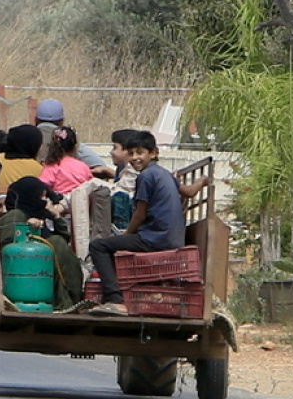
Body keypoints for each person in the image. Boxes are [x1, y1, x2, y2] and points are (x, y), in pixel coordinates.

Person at [88, 130, 210, 316]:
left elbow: (140, 214)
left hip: (155, 239)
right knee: (114, 245)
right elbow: (190, 191)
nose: (135, 158)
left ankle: (114, 299)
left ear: (153, 153)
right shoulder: (165, 174)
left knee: (98, 246)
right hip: (173, 239)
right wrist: (203, 181)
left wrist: (127, 234)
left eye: (140, 152)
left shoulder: (145, 176)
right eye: (132, 153)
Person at [0, 176, 84, 310]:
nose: (45, 202)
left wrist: (56, 217)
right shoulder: (14, 216)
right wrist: (27, 227)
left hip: (45, 278)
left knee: (57, 241)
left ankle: (70, 299)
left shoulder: (42, 216)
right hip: (22, 280)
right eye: (42, 197)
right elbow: (8, 247)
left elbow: (63, 242)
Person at [33, 98, 112, 177]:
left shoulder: (26, 138)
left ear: (35, 119)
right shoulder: (67, 140)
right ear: (62, 121)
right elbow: (99, 165)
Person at [40, 125, 94, 195]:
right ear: (75, 147)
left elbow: (41, 186)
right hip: (81, 203)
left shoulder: (52, 166)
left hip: (59, 203)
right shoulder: (84, 167)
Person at [109, 128, 141, 231]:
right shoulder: (122, 168)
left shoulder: (133, 172)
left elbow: (122, 189)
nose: (111, 152)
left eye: (115, 148)